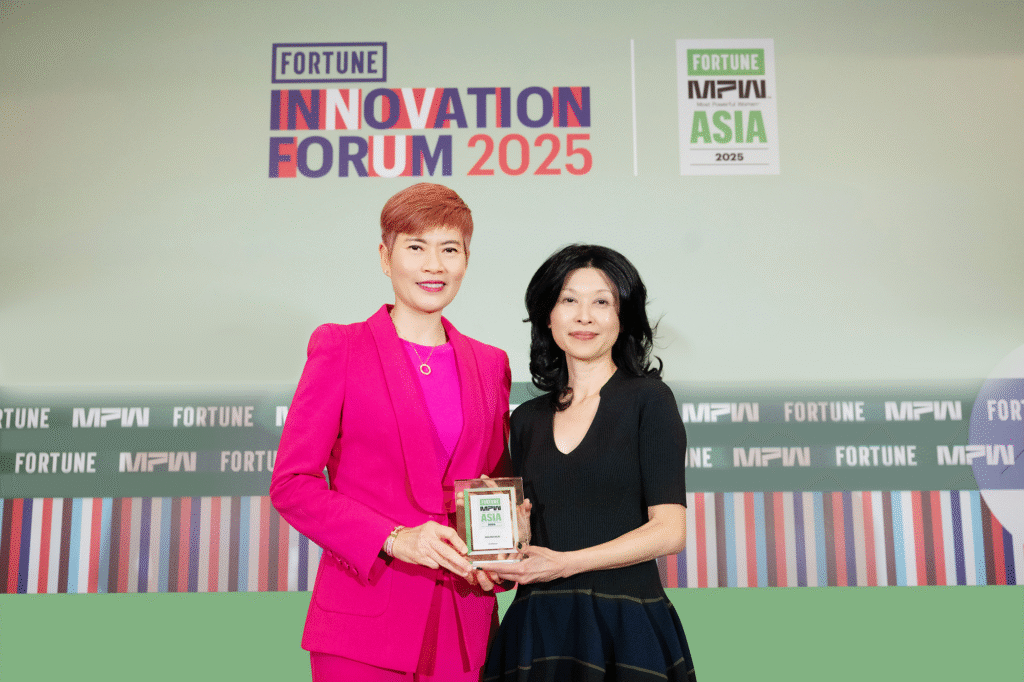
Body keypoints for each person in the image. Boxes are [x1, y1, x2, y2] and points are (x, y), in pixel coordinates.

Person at [270, 183, 512, 682]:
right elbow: (292, 484)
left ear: (466, 261)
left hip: (464, 625)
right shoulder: (340, 348)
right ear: (385, 257)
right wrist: (394, 539)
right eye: (416, 247)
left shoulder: (491, 364)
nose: (434, 266)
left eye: (450, 250)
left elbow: (490, 487)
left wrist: (500, 552)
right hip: (364, 624)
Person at [484, 244, 697, 682]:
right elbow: (534, 535)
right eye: (569, 300)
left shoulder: (649, 401)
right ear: (548, 316)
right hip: (538, 625)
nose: (584, 317)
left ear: (623, 318)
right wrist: (513, 536)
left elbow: (670, 531)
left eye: (602, 302)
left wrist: (567, 563)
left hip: (625, 624)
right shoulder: (525, 419)